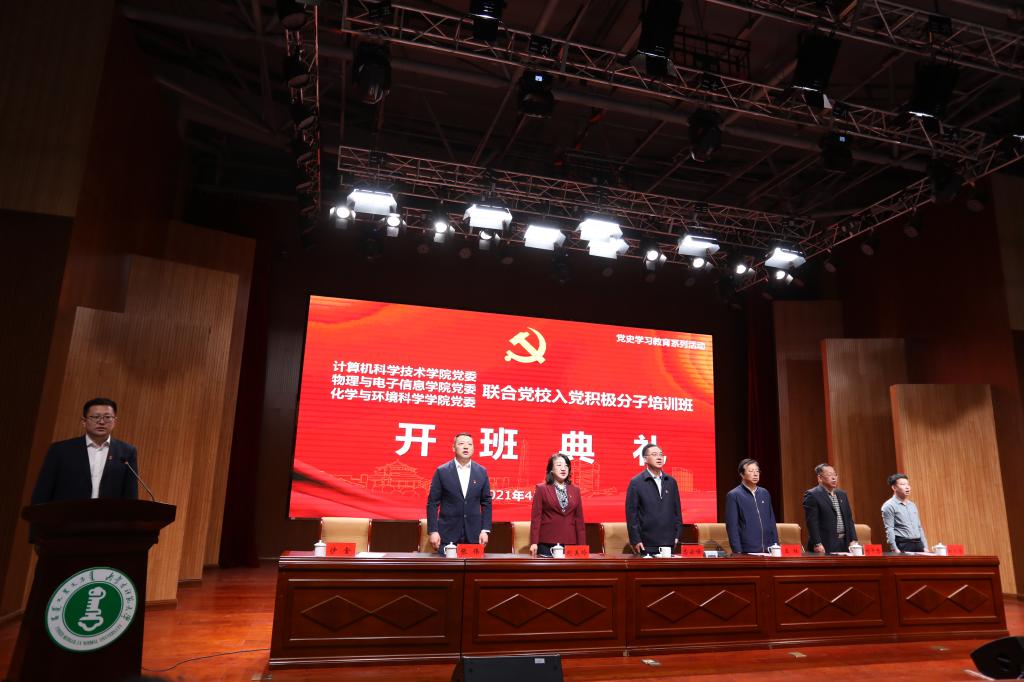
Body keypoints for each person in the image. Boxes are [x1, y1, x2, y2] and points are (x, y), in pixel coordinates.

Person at [31, 397, 139, 505]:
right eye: (95, 417)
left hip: (107, 515)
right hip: (67, 514)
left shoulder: (127, 452)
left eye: (107, 417)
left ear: (114, 421)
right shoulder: (61, 450)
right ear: (84, 421)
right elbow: (43, 490)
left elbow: (130, 494)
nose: (101, 422)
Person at [426, 432, 492, 554]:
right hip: (447, 534)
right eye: (461, 444)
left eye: (469, 444)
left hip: (474, 535)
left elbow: (486, 502)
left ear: (473, 448)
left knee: (472, 566)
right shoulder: (442, 471)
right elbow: (433, 503)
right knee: (448, 566)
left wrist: (485, 530)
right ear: (453, 447)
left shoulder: (481, 472)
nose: (466, 447)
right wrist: (433, 531)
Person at [625, 443, 682, 555]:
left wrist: (677, 535)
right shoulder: (636, 482)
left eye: (661, 455)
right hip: (646, 542)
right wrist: (636, 539)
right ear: (645, 459)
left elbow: (677, 511)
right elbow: (632, 514)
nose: (659, 457)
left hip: (669, 542)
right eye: (654, 454)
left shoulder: (671, 481)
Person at [529, 453, 586, 557]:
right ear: (551, 469)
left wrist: (582, 545)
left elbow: (579, 520)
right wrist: (534, 542)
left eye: (566, 466)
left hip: (570, 543)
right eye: (559, 465)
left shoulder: (575, 490)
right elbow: (536, 518)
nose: (563, 468)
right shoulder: (541, 489)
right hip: (546, 542)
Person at [724, 458, 778, 554]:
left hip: (769, 550)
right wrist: (737, 551)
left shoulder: (764, 493)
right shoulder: (734, 495)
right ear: (742, 474)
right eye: (751, 471)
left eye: (757, 471)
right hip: (747, 550)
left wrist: (775, 545)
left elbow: (771, 522)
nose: (755, 474)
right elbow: (732, 527)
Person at [803, 463, 858, 554]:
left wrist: (853, 539)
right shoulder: (812, 495)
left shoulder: (842, 494)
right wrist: (817, 543)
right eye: (829, 475)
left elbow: (849, 519)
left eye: (835, 475)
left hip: (844, 543)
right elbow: (812, 522)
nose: (834, 478)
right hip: (825, 544)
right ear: (820, 478)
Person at [881, 473, 929, 553]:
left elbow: (919, 527)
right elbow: (889, 529)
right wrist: (894, 548)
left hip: (918, 543)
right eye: (903, 484)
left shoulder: (912, 505)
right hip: (903, 544)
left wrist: (925, 546)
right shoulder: (889, 506)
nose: (907, 487)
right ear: (894, 487)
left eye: (908, 484)